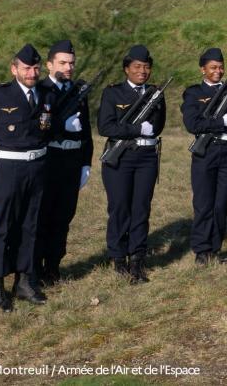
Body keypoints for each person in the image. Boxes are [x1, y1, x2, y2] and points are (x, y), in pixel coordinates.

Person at [0, 44, 52, 310]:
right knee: (3, 226)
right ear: (14, 69)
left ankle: (24, 281)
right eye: (27, 68)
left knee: (31, 224)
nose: (32, 72)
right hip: (8, 169)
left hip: (36, 167)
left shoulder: (46, 95)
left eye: (36, 68)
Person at [98, 44, 167, 284]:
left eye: (147, 67)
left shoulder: (156, 94)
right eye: (137, 67)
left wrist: (147, 131)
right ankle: (118, 257)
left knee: (141, 208)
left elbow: (158, 126)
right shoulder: (113, 93)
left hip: (146, 157)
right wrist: (136, 128)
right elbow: (105, 127)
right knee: (119, 207)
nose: (142, 71)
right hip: (121, 157)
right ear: (126, 69)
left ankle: (137, 257)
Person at [34, 39, 92, 285]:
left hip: (72, 160)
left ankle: (54, 268)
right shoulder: (41, 90)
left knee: (64, 216)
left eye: (71, 63)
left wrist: (86, 163)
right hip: (49, 160)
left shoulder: (78, 91)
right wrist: (62, 126)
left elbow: (87, 131)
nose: (68, 67)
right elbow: (40, 129)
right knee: (42, 216)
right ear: (49, 64)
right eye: (63, 63)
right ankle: (35, 269)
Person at [181, 47, 227, 265]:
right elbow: (192, 123)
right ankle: (201, 250)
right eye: (213, 67)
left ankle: (215, 248)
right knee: (204, 202)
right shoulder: (193, 93)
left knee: (221, 203)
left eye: (221, 67)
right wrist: (218, 123)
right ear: (202, 70)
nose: (218, 71)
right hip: (205, 152)